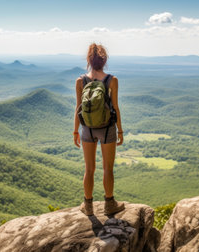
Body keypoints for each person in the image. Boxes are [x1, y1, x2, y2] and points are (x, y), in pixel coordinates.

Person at [73, 43, 125, 216]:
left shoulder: (81, 81)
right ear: (104, 61)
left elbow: (78, 108)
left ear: (89, 60)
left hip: (87, 129)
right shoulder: (112, 80)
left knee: (89, 169)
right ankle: (109, 203)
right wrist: (120, 131)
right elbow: (115, 107)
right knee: (107, 168)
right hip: (107, 128)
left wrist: (75, 131)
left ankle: (88, 206)